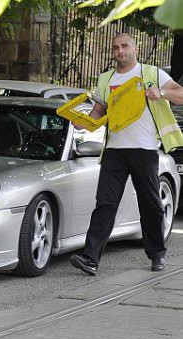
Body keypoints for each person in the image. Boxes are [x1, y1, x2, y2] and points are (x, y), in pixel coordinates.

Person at [70, 33, 183, 276]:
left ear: (135, 49)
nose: (120, 51)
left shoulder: (151, 74)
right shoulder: (106, 79)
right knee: (105, 204)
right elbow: (98, 112)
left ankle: (156, 254)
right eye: (115, 48)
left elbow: (180, 95)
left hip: (144, 150)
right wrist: (85, 122)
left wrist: (160, 94)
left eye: (124, 46)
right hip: (114, 152)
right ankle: (90, 258)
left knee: (150, 204)